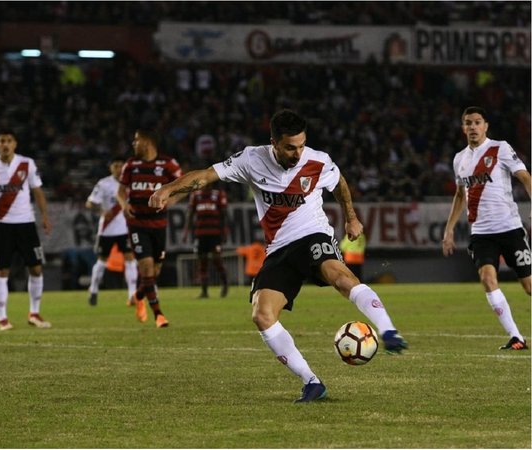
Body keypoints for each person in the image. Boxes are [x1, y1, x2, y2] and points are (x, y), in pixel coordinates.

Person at [149, 109, 408, 402]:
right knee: (262, 314)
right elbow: (205, 176)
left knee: (340, 278)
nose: (297, 153)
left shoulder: (317, 160)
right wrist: (168, 189)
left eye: (300, 145)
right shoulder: (251, 159)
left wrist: (350, 217)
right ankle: (311, 381)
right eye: (289, 147)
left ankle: (388, 330)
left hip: (313, 235)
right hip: (279, 249)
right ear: (273, 142)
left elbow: (340, 184)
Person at [442, 106, 531, 350]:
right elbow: (460, 195)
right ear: (463, 128)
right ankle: (516, 337)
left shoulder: (500, 148)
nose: (472, 127)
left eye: (477, 122)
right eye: (468, 123)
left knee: (529, 286)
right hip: (481, 233)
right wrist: (449, 229)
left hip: (510, 228)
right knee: (487, 278)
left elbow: (525, 177)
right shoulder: (460, 159)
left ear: (486, 125)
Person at [117, 128, 182, 328]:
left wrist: (173, 199)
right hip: (137, 223)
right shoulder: (131, 165)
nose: (133, 144)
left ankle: (139, 295)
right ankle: (159, 315)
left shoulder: (167, 164)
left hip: (159, 224)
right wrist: (124, 204)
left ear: (147, 141)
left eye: (136, 140)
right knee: (145, 267)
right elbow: (120, 192)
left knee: (154, 272)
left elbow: (185, 185)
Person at [0, 129, 52, 331]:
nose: (5, 144)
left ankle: (34, 313)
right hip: (2, 224)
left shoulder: (27, 163)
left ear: (15, 144)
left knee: (36, 268)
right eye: (2, 140)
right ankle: (2, 319)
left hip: (26, 223)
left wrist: (44, 216)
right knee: (1, 270)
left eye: (9, 140)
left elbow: (38, 191)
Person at [86, 157, 138, 306]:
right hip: (107, 229)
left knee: (130, 259)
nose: (119, 168)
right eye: (116, 165)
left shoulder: (131, 183)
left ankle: (132, 294)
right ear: (111, 167)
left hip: (125, 228)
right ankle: (94, 289)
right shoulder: (104, 184)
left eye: (121, 165)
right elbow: (89, 202)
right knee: (102, 261)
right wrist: (101, 210)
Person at [183, 185, 229, 298]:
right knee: (202, 261)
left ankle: (225, 284)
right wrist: (186, 232)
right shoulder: (196, 196)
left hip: (215, 233)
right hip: (200, 234)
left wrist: (225, 231)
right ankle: (204, 292)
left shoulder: (218, 194)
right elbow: (190, 214)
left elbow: (224, 215)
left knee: (217, 259)